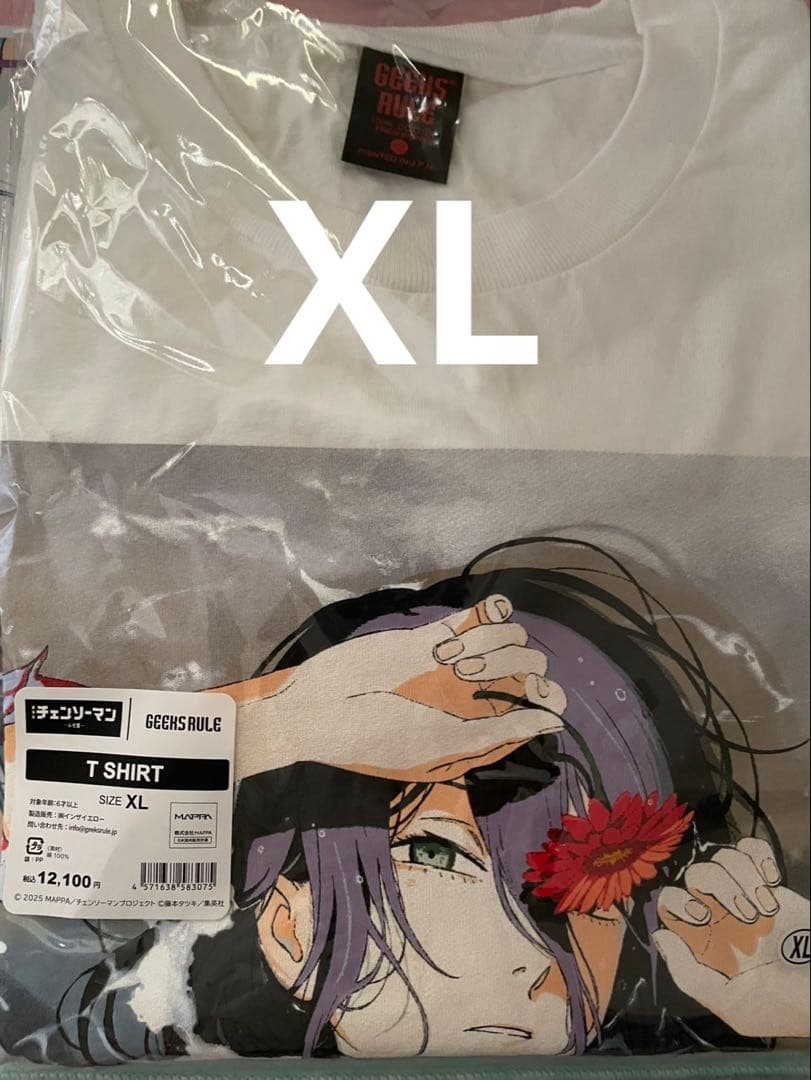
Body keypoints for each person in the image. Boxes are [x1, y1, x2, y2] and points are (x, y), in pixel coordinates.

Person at [1, 538, 808, 1062]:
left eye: (586, 891)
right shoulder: (145, 1022)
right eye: (433, 852)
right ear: (285, 922)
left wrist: (784, 1005)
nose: (532, 961)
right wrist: (273, 723)